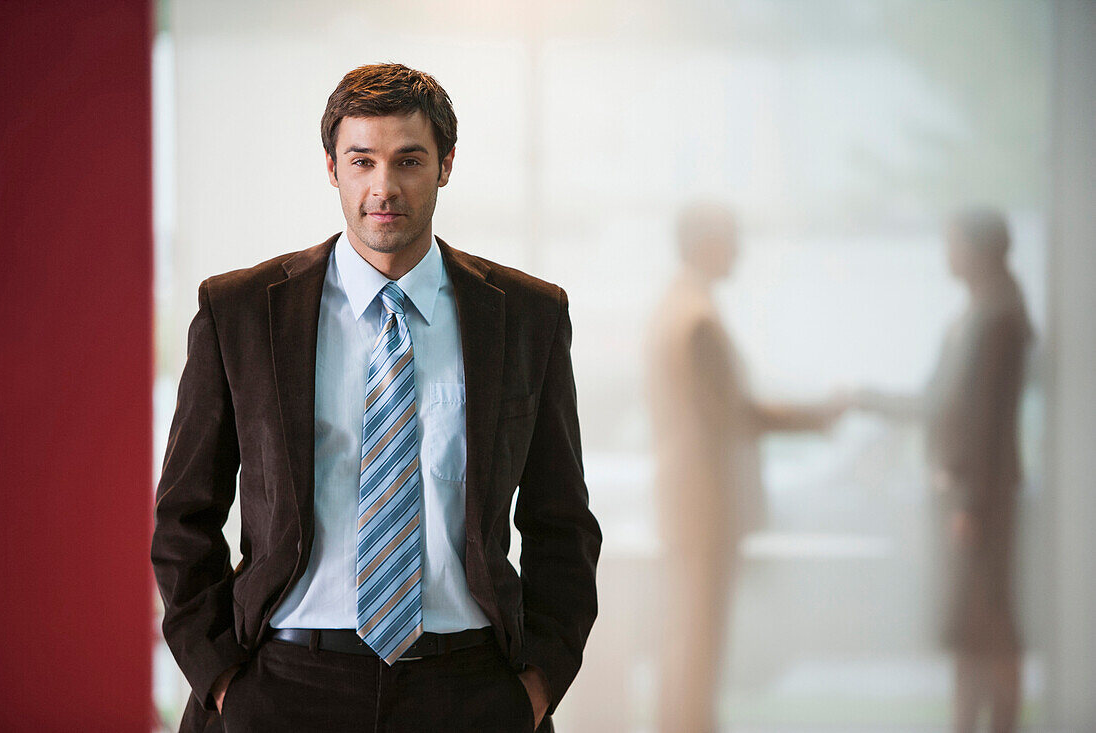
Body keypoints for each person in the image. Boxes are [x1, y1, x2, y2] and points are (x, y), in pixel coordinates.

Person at [151, 63, 601, 733]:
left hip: (469, 690)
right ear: (333, 168)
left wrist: (533, 689)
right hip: (284, 687)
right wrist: (222, 681)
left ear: (446, 165)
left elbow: (561, 522)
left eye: (408, 160)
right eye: (362, 160)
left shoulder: (526, 315)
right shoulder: (240, 312)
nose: (383, 187)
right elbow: (185, 516)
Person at [645, 201, 845, 733]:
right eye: (732, 237)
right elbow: (736, 413)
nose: (740, 250)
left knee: (690, 640)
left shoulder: (680, 308)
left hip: (690, 501)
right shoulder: (697, 319)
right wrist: (819, 416)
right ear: (706, 243)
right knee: (698, 643)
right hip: (704, 504)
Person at [853, 207, 1032, 733]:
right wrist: (870, 399)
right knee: (971, 630)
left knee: (990, 628)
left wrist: (971, 503)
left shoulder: (999, 316)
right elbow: (940, 402)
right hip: (966, 495)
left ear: (979, 250)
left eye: (953, 244)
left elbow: (986, 422)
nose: (946, 256)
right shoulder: (978, 313)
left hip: (979, 499)